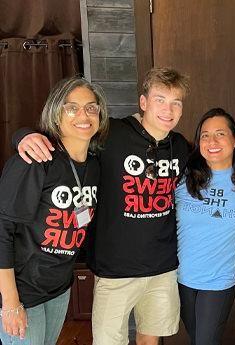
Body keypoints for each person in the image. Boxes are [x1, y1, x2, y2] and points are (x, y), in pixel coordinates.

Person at [15, 68, 191, 345]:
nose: (167, 110)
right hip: (114, 270)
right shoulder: (112, 133)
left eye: (175, 103)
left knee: (150, 340)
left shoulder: (180, 147)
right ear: (143, 103)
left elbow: (213, 157)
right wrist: (23, 136)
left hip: (162, 267)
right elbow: (65, 136)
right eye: (160, 100)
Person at [0, 76, 109, 344]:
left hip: (58, 288)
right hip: (23, 291)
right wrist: (10, 302)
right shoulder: (35, 160)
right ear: (56, 114)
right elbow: (2, 231)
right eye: (71, 107)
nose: (83, 115)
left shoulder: (94, 166)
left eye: (91, 107)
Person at [175, 108, 235, 345]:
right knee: (197, 339)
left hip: (219, 281)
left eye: (220, 134)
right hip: (181, 277)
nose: (211, 141)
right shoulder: (184, 176)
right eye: (204, 135)